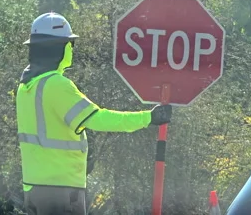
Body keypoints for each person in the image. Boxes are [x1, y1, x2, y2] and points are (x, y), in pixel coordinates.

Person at [15, 12, 172, 215]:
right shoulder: (56, 85)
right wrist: (148, 118)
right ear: (59, 49)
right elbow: (99, 119)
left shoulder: (26, 87)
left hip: (34, 188)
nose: (72, 49)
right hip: (61, 190)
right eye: (70, 44)